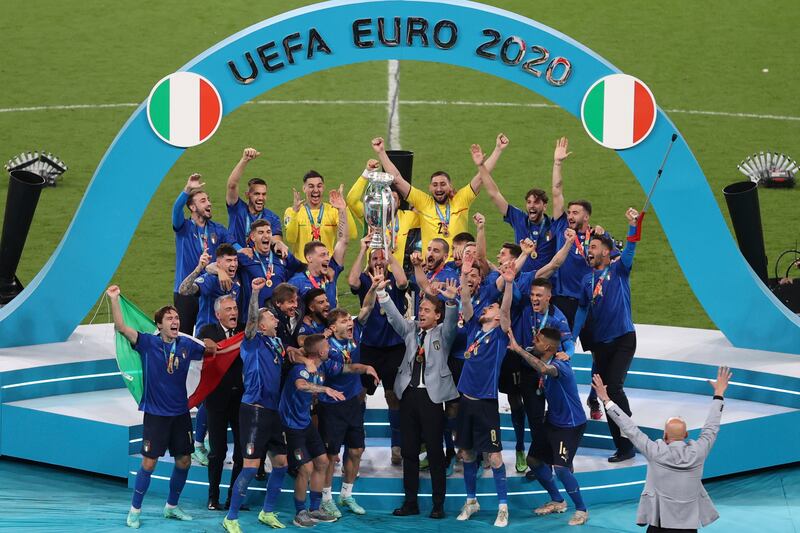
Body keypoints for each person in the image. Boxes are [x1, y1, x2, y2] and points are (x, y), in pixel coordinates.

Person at [106, 285, 216, 529]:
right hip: (156, 415)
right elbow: (121, 327)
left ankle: (172, 506)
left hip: (180, 414)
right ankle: (134, 511)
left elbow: (209, 348)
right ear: (159, 325)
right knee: (148, 463)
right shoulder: (147, 343)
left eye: (176, 317)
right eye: (170, 318)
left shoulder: (187, 344)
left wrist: (213, 340)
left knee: (184, 461)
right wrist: (114, 299)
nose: (175, 321)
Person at [591, 367, 732, 533]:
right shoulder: (699, 451)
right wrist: (719, 393)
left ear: (664, 435)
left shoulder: (655, 451)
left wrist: (606, 400)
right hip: (688, 527)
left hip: (660, 525)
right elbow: (712, 426)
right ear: (686, 434)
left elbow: (629, 428)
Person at [223, 278, 304, 533]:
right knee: (249, 467)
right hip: (254, 410)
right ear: (260, 324)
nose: (277, 321)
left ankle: (267, 512)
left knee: (280, 462)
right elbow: (250, 322)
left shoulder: (277, 343)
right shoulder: (252, 340)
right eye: (271, 318)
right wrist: (255, 293)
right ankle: (231, 517)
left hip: (272, 411)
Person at [381, 278, 460, 519]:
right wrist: (382, 293)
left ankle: (438, 505)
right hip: (408, 395)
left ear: (437, 316)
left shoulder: (443, 334)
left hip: (432, 398)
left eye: (426, 310)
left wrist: (451, 300)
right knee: (409, 452)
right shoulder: (411, 330)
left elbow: (452, 321)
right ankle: (410, 502)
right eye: (420, 309)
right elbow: (394, 317)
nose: (421, 313)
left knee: (436, 453)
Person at [280, 334, 376, 527]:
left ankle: (315, 508)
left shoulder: (325, 365)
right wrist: (326, 390)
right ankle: (300, 512)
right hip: (291, 425)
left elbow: (347, 368)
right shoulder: (302, 369)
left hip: (305, 423)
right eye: (326, 346)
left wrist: (366, 368)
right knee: (305, 468)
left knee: (322, 462)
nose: (330, 348)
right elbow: (301, 385)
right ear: (321, 351)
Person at [574, 208, 641, 463]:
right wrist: (571, 337)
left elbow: (632, 247)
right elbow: (581, 309)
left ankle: (628, 438)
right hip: (601, 345)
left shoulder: (619, 269)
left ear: (605, 251)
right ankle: (623, 445)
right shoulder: (586, 280)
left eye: (594, 246)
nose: (589, 250)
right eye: (588, 247)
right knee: (604, 394)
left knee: (613, 388)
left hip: (624, 338)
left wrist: (633, 226)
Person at [507, 327, 589, 527]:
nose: (534, 340)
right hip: (552, 421)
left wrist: (518, 349)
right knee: (533, 460)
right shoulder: (545, 358)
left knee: (561, 468)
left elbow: (544, 370)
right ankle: (557, 500)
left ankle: (581, 509)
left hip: (570, 425)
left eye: (539, 339)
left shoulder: (560, 366)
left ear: (549, 347)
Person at [371, 136, 507, 254]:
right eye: (435, 185)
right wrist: (381, 152)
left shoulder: (461, 200)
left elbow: (481, 177)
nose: (439, 188)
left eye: (443, 184)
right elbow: (396, 178)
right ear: (430, 188)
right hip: (431, 270)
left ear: (450, 186)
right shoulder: (424, 202)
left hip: (456, 267)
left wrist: (498, 150)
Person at [455, 263, 514, 528]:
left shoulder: (500, 335)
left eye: (490, 308)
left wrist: (510, 283)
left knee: (495, 456)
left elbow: (506, 310)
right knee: (467, 454)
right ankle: (471, 501)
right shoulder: (473, 330)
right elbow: (465, 300)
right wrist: (464, 274)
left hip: (487, 404)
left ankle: (503, 507)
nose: (486, 309)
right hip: (465, 401)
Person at [348, 234, 409, 465]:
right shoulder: (365, 280)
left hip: (394, 347)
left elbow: (404, 282)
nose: (379, 262)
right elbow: (352, 281)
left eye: (382, 258)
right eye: (375, 258)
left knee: (393, 396)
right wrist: (363, 249)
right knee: (359, 395)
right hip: (369, 347)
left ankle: (396, 445)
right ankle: (357, 441)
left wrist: (389, 254)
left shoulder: (394, 278)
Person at [318, 298, 381, 518]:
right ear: (333, 327)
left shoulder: (353, 337)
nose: (350, 323)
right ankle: (325, 499)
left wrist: (373, 288)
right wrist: (366, 368)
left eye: (349, 319)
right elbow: (342, 369)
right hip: (332, 407)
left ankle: (346, 494)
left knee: (356, 450)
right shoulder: (325, 349)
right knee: (331, 455)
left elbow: (366, 309)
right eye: (345, 321)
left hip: (354, 403)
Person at [476, 134, 557, 273]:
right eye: (529, 202)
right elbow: (494, 194)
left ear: (545, 206)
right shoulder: (519, 218)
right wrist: (481, 166)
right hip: (520, 279)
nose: (531, 206)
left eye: (536, 202)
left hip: (544, 283)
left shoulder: (554, 224)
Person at [172, 173, 239, 335]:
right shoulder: (184, 228)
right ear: (192, 207)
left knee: (210, 334)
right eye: (203, 201)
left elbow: (235, 246)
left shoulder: (218, 229)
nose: (209, 203)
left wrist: (245, 251)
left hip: (209, 290)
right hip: (186, 291)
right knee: (184, 337)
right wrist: (187, 189)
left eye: (208, 200)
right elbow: (176, 209)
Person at [198, 295, 245, 511]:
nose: (233, 312)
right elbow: (205, 344)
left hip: (241, 401)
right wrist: (210, 345)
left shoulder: (243, 331)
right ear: (218, 314)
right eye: (228, 309)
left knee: (241, 453)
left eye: (235, 308)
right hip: (216, 401)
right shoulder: (209, 330)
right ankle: (213, 498)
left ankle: (233, 499)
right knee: (217, 452)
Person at [346, 157, 420, 266]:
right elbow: (351, 200)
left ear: (399, 203)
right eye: (387, 197)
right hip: (372, 274)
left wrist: (415, 205)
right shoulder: (372, 214)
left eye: (394, 198)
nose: (390, 200)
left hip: (395, 277)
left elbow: (427, 214)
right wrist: (367, 173)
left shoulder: (407, 217)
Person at [287, 186, 350, 309]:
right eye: (322, 255)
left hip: (331, 324)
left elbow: (343, 240)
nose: (327, 258)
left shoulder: (331, 271)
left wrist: (342, 209)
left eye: (327, 254)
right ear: (309, 258)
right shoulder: (297, 282)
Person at [237, 219, 301, 317]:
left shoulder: (281, 254)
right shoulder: (245, 257)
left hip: (280, 317)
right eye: (261, 232)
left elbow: (302, 269)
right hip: (253, 317)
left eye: (268, 232)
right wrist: (220, 271)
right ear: (253, 237)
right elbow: (217, 265)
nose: (266, 235)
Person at [283, 172, 357, 256]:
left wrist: (343, 208)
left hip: (326, 266)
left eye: (319, 186)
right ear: (304, 188)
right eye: (311, 186)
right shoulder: (291, 211)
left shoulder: (334, 210)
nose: (316, 190)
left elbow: (352, 234)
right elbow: (291, 239)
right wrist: (294, 212)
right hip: (302, 267)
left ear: (323, 188)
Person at [178, 243, 242, 336]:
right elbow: (183, 290)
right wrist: (199, 268)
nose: (233, 264)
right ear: (218, 263)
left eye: (235, 260)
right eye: (228, 260)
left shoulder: (237, 278)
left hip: (227, 334)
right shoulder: (210, 279)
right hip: (207, 335)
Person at [225, 147, 283, 246]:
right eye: (256, 194)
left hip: (258, 261)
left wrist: (278, 243)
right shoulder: (237, 209)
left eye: (264, 194)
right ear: (247, 195)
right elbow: (232, 185)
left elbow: (276, 241)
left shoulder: (272, 218)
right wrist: (244, 160)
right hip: (235, 260)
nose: (261, 198)